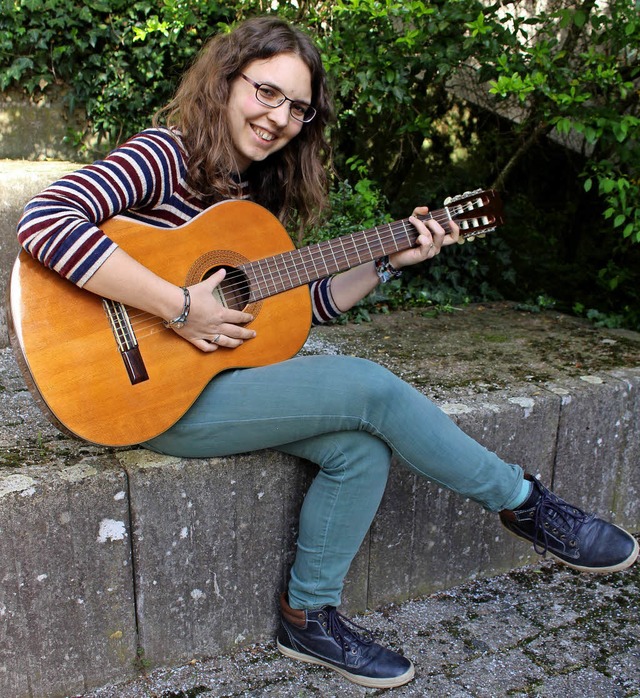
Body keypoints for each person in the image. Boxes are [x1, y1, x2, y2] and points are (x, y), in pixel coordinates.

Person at [17, 16, 638, 690]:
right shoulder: (164, 155)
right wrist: (179, 305)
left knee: (358, 449)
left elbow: (299, 308)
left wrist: (387, 260)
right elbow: (44, 221)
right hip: (138, 393)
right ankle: (524, 502)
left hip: (201, 383)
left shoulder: (254, 200)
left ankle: (308, 619)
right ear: (227, 82)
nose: (279, 117)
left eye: (297, 108)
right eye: (266, 92)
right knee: (367, 387)